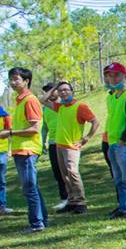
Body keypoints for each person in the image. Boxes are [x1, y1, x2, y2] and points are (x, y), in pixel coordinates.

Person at [40, 81, 99, 214]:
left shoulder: (80, 106)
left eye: (66, 89)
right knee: (65, 175)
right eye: (61, 90)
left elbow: (95, 122)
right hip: (59, 145)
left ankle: (81, 203)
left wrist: (86, 138)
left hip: (72, 146)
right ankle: (72, 201)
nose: (63, 92)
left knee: (73, 173)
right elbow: (42, 100)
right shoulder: (60, 106)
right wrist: (55, 87)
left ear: (72, 92)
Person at [0, 68, 48, 232]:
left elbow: (35, 128)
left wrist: (10, 132)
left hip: (27, 150)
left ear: (26, 81)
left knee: (29, 189)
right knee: (32, 187)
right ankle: (42, 220)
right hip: (20, 150)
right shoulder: (20, 101)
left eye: (16, 79)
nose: (12, 82)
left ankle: (36, 224)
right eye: (11, 79)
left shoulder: (30, 100)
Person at [103, 62, 126, 218]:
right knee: (118, 179)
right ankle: (123, 207)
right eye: (110, 76)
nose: (113, 78)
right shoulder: (111, 97)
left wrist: (123, 140)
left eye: (116, 75)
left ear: (123, 75)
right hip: (112, 143)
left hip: (124, 144)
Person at [39, 82, 69, 211]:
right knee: (57, 173)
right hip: (53, 143)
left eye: (52, 90)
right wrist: (42, 142)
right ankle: (64, 199)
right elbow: (44, 128)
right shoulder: (45, 109)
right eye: (47, 91)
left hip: (65, 142)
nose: (50, 93)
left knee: (69, 172)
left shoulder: (64, 104)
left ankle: (74, 198)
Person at [0, 105, 11, 214]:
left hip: (1, 152)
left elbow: (9, 131)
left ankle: (2, 206)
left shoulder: (4, 115)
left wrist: (9, 150)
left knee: (1, 181)